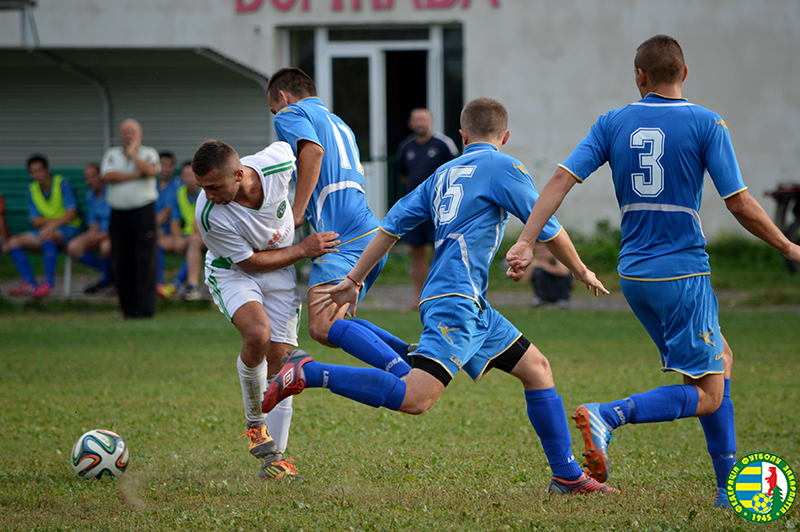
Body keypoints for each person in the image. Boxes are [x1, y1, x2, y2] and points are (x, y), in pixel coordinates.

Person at [505, 35, 800, 507]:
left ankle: (728, 489)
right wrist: (788, 245)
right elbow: (740, 202)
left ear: (639, 77)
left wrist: (524, 240)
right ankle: (609, 415)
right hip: (682, 273)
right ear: (685, 72)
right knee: (708, 391)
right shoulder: (707, 122)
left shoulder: (613, 122)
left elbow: (561, 179)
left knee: (716, 363)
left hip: (635, 275)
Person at [265, 97, 615, 495]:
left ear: (462, 136)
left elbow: (390, 227)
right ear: (506, 136)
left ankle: (566, 475)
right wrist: (581, 269)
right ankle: (311, 373)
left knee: (537, 369)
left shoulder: (442, 173)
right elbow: (546, 223)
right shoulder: (503, 166)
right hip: (456, 299)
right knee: (417, 398)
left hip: (462, 300)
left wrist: (355, 278)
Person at [192, 139, 340, 480]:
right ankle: (255, 424)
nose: (208, 194)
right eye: (202, 187)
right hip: (235, 271)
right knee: (258, 333)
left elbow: (311, 151)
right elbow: (251, 263)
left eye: (214, 186)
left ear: (240, 174)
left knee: (283, 364)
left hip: (280, 270)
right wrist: (303, 249)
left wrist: (299, 210)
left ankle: (275, 460)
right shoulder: (209, 214)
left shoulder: (273, 164)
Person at [267, 67, 414, 380]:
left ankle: (405, 374)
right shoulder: (339, 123)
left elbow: (313, 152)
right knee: (336, 321)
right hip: (368, 233)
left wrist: (296, 212)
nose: (276, 116)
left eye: (273, 109)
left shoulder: (289, 114)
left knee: (323, 326)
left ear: (283, 97)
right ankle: (408, 355)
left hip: (340, 236)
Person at [395, 108, 459, 310]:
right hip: (414, 210)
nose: (420, 123)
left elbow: (456, 172)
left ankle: (440, 297)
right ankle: (419, 298)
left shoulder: (443, 145)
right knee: (417, 253)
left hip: (440, 210)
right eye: (416, 120)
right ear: (410, 123)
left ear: (430, 121)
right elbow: (404, 176)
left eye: (423, 119)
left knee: (439, 251)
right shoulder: (405, 147)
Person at [101, 118, 160, 319]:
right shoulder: (111, 154)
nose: (128, 135)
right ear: (120, 135)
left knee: (145, 261)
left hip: (143, 213)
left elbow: (150, 171)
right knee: (122, 260)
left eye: (132, 132)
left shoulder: (149, 153)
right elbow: (108, 176)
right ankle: (128, 309)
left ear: (140, 134)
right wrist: (136, 174)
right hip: (118, 215)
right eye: (125, 132)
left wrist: (133, 155)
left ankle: (145, 309)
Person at [7, 154, 81, 298]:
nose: (37, 174)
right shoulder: (31, 190)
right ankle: (29, 283)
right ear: (30, 174)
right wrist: (52, 224)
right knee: (13, 242)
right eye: (33, 172)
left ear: (47, 170)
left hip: (70, 229)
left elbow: (72, 214)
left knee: (48, 236)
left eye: (40, 170)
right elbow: (35, 221)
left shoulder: (62, 183)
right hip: (47, 230)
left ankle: (49, 284)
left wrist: (50, 225)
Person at [67, 163, 114, 294]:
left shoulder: (113, 192)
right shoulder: (90, 196)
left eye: (93, 177)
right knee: (73, 247)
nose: (90, 181)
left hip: (115, 232)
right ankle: (109, 274)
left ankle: (106, 280)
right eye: (87, 178)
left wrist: (103, 236)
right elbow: (93, 221)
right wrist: (93, 233)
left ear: (101, 176)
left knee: (106, 247)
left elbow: (120, 221)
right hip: (100, 233)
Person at [161, 161, 205, 301]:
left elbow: (201, 226)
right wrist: (177, 238)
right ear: (181, 178)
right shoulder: (179, 193)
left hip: (204, 235)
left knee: (194, 241)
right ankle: (157, 285)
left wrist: (185, 239)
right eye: (186, 175)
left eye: (192, 175)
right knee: (157, 243)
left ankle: (188, 286)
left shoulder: (205, 193)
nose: (189, 179)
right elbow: (175, 221)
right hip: (187, 235)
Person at [155, 151, 182, 297]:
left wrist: (150, 227)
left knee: (154, 245)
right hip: (155, 232)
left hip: (171, 234)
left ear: (173, 167)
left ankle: (158, 286)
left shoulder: (177, 185)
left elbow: (168, 212)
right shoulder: (151, 185)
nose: (165, 169)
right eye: (162, 165)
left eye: (169, 165)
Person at [523, 241, 572, 308]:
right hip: (546, 291)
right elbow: (524, 281)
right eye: (537, 251)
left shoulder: (557, 258)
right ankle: (541, 299)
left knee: (563, 275)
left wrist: (545, 266)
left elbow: (565, 272)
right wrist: (531, 268)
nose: (540, 254)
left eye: (542, 251)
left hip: (558, 290)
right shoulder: (536, 262)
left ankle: (562, 300)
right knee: (537, 272)